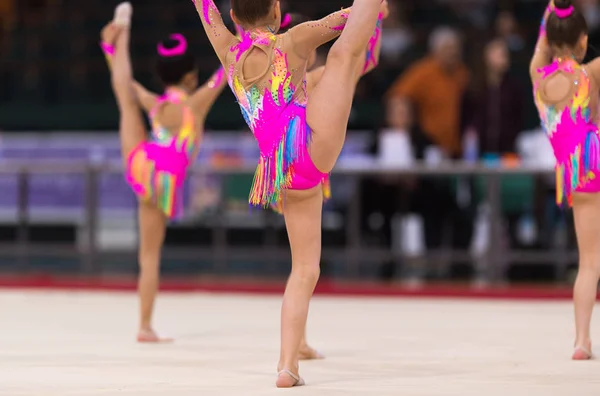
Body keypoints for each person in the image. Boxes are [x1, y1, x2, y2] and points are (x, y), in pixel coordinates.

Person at [192, 0, 385, 387]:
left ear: (233, 16)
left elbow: (205, 9)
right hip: (309, 143)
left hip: (280, 172)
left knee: (304, 270)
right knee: (345, 55)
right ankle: (288, 360)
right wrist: (373, 12)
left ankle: (287, 366)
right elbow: (341, 23)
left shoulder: (226, 51)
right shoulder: (292, 41)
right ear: (278, 10)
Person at [99, 3, 227, 343]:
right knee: (152, 254)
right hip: (166, 176)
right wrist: (247, 37)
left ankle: (116, 42)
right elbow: (226, 71)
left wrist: (114, 59)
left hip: (144, 163)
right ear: (189, 76)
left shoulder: (155, 104)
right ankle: (145, 326)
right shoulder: (195, 104)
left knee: (125, 98)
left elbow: (128, 87)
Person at [531, 0, 600, 360]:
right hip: (597, 158)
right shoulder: (590, 74)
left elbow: (542, 46)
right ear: (584, 41)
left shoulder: (537, 79)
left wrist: (552, 11)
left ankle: (581, 340)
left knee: (589, 262)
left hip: (577, 175)